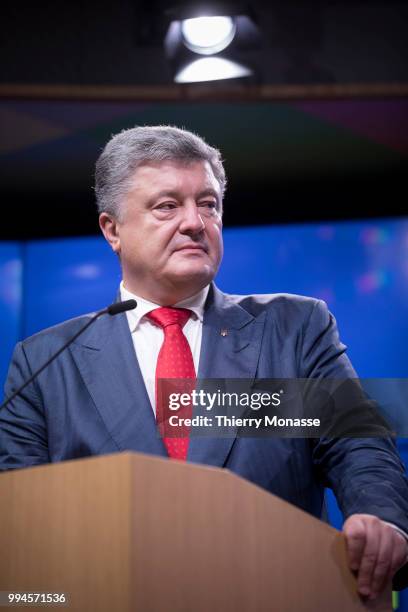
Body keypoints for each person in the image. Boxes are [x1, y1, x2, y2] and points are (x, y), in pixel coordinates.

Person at [1, 126, 407, 599]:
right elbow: (20, 514)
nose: (195, 222)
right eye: (167, 206)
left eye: (208, 204)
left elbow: (356, 446)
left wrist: (383, 520)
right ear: (112, 229)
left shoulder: (292, 328)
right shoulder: (47, 360)